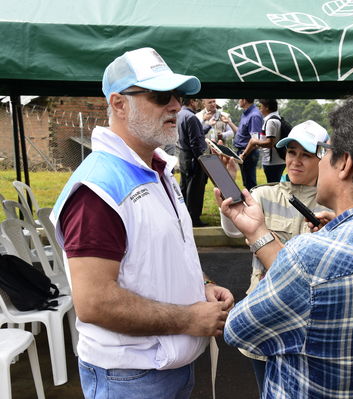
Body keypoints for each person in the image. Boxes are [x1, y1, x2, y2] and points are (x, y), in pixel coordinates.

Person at [219, 91, 353, 398]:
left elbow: (238, 330)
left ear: (344, 164)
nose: (296, 160)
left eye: (326, 152)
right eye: (290, 152)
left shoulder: (309, 256)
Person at [51, 47, 234, 399]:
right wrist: (189, 319)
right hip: (130, 377)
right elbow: (94, 302)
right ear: (119, 104)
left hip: (165, 368)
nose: (176, 106)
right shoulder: (98, 189)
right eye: (162, 96)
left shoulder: (156, 169)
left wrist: (203, 286)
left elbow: (164, 254)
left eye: (178, 96)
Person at [219, 120, 330, 396]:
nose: (295, 161)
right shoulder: (264, 195)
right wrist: (228, 190)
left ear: (324, 157)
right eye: (291, 153)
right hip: (265, 319)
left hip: (311, 324)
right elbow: (233, 230)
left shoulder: (334, 205)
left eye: (306, 154)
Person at [177, 96, 209, 227]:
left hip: (183, 155)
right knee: (195, 189)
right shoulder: (192, 117)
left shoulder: (179, 114)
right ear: (191, 101)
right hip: (193, 157)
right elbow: (195, 142)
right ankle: (194, 218)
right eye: (197, 100)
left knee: (184, 187)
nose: (198, 103)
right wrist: (202, 159)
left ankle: (183, 216)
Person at [240, 99, 286, 183]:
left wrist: (255, 141)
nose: (259, 108)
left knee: (273, 186)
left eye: (260, 106)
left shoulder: (271, 121)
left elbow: (270, 143)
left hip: (272, 162)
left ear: (267, 107)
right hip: (278, 160)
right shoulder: (277, 118)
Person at [223, 98, 263, 190]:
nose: (238, 100)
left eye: (239, 99)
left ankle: (253, 202)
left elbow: (255, 141)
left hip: (248, 152)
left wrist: (244, 154)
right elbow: (240, 133)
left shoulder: (254, 116)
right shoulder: (246, 114)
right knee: (246, 182)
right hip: (243, 152)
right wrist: (229, 122)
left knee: (250, 183)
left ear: (244, 100)